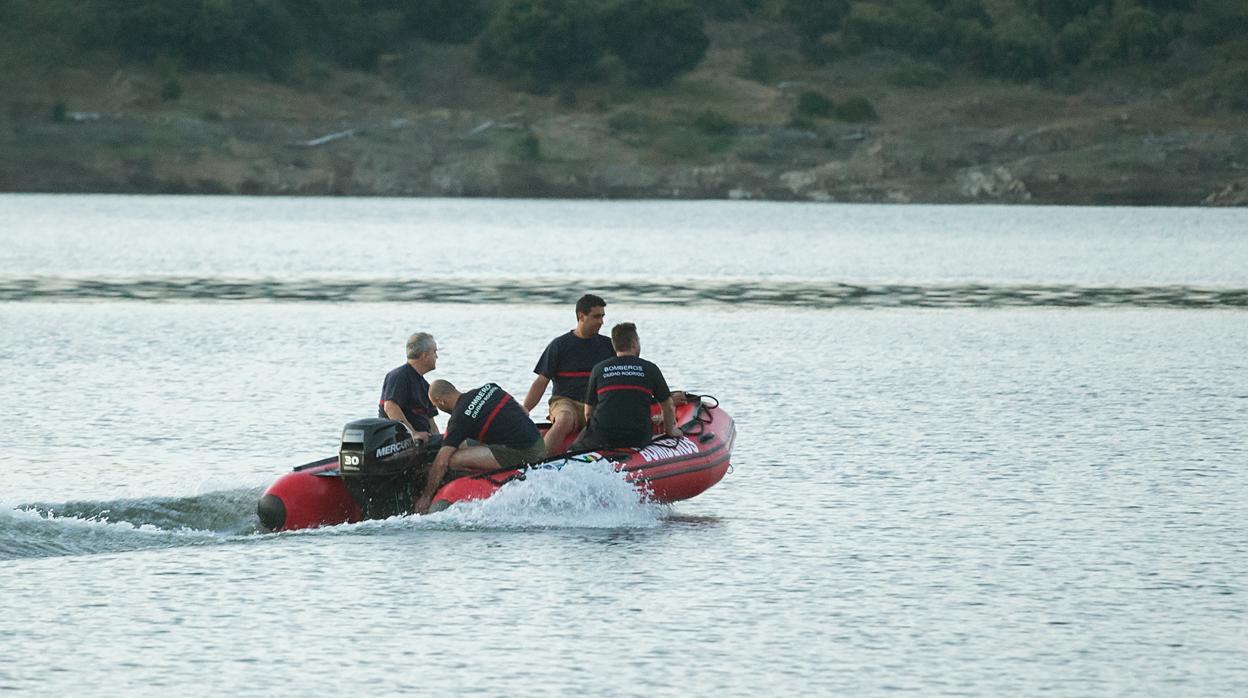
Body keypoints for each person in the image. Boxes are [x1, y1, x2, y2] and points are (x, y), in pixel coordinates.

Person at [416, 379, 546, 513]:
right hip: (537, 441)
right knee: (460, 444)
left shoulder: (459, 419)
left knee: (452, 459)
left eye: (436, 405)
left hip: (526, 454)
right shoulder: (490, 388)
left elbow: (442, 462)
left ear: (440, 402)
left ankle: (485, 480)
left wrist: (426, 496)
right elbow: (523, 412)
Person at [522, 293, 616, 454]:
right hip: (566, 402)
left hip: (597, 405)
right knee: (564, 419)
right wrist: (525, 410)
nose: (601, 322)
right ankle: (539, 461)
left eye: (603, 316)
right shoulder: (560, 345)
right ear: (581, 316)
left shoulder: (609, 346)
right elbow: (541, 381)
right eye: (596, 316)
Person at [569, 322, 681, 452]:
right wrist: (670, 430)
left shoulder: (598, 369)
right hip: (637, 438)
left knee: (572, 451)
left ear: (615, 345)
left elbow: (588, 412)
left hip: (601, 438)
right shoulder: (650, 369)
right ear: (634, 343)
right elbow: (668, 406)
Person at [378, 332, 439, 446]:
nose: (437, 357)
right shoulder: (399, 376)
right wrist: (413, 434)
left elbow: (431, 421)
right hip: (400, 444)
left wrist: (439, 442)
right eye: (434, 352)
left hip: (424, 442)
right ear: (425, 355)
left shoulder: (425, 385)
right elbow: (390, 407)